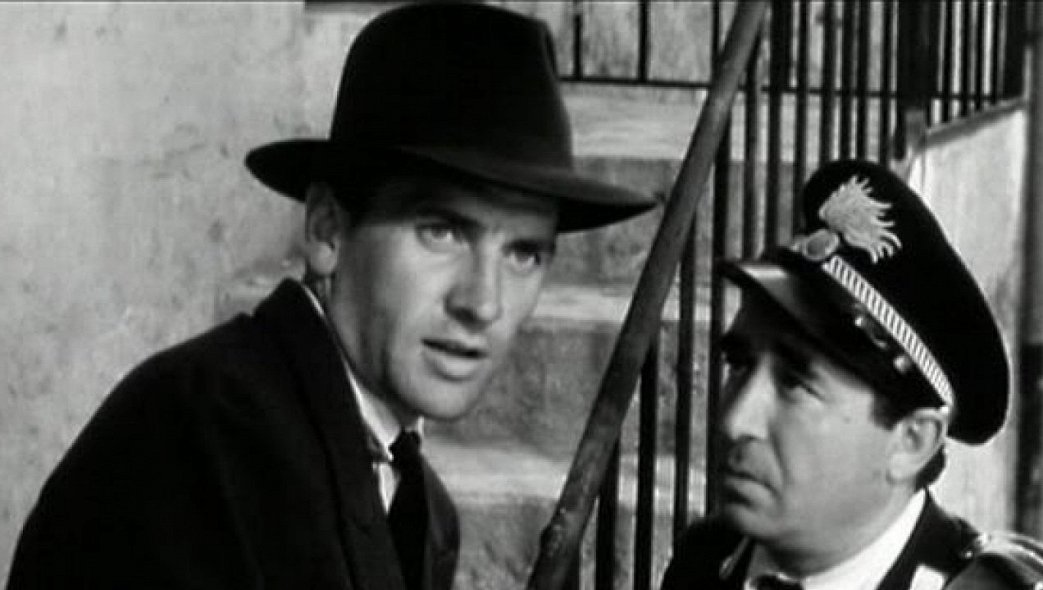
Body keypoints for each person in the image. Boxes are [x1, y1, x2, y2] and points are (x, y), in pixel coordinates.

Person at [6, 3, 655, 589]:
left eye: (524, 254)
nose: (483, 303)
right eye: (441, 231)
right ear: (326, 231)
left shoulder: (423, 510)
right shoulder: (199, 436)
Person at [661, 159, 1017, 590]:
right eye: (739, 365)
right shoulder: (705, 559)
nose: (735, 421)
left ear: (912, 442)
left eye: (794, 384)